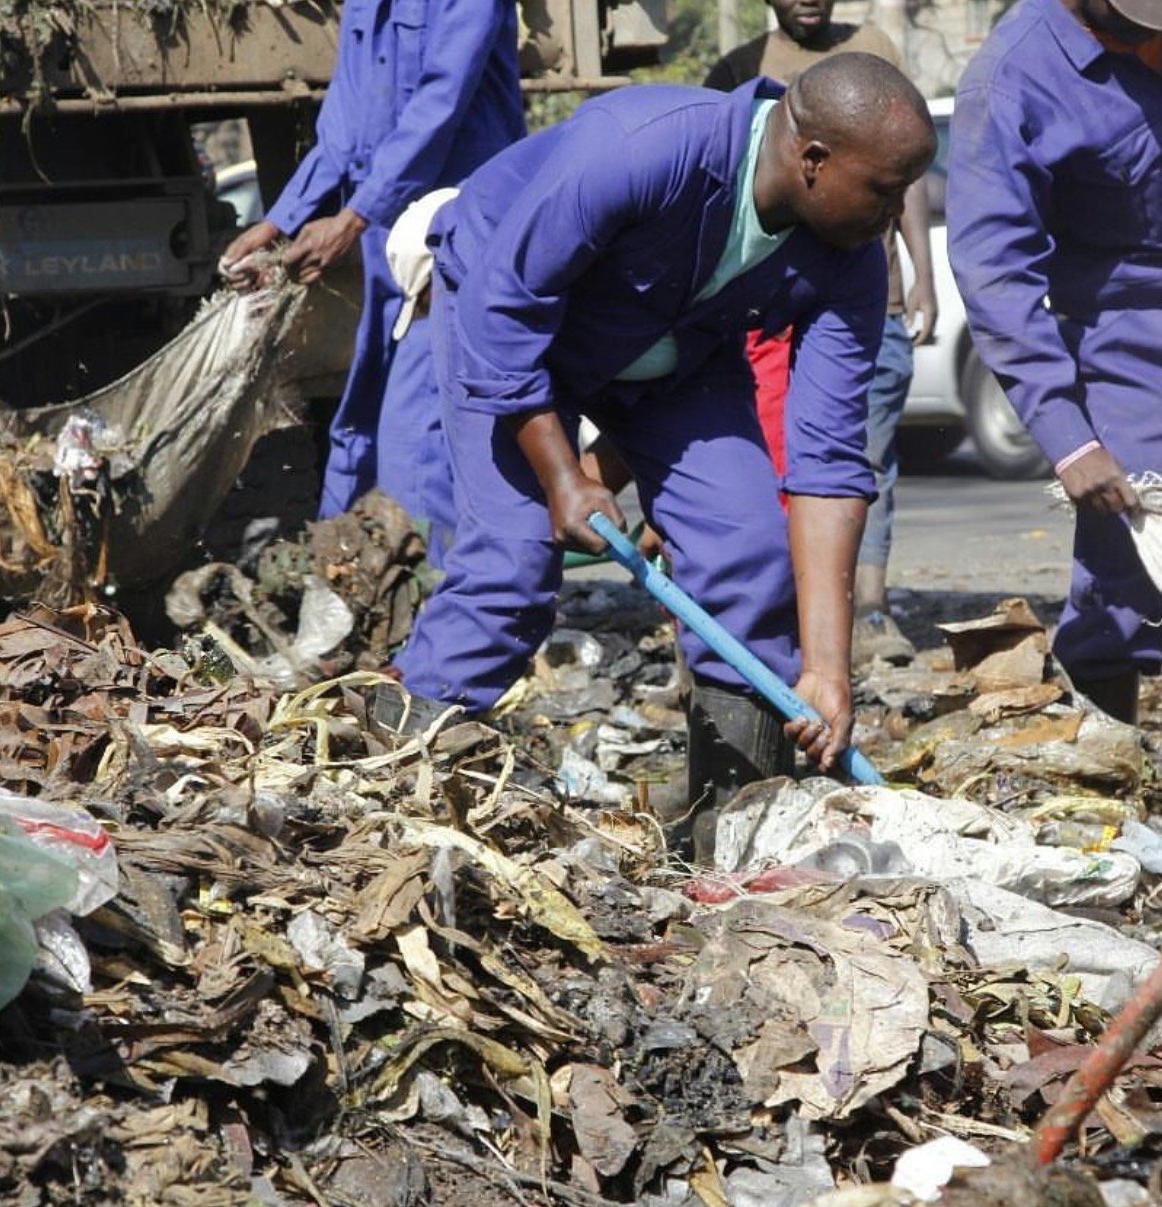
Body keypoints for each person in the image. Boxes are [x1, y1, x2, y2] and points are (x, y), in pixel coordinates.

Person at [377, 55, 936, 856]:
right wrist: (564, 478)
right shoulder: (644, 146)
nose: (894, 214)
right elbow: (506, 309)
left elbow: (827, 463)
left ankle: (732, 827)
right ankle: (397, 781)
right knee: (512, 564)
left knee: (747, 552)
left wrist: (826, 666)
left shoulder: (845, 260)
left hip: (672, 358)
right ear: (812, 159)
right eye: (884, 189)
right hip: (509, 323)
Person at [946, 0, 1162, 723]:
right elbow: (996, 277)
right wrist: (1072, 439)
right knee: (1120, 576)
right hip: (1126, 332)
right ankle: (1114, 758)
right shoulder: (1010, 79)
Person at [221, 0, 525, 566]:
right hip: (390, 245)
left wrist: (353, 216)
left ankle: (431, 619)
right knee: (358, 427)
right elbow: (345, 120)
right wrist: (280, 220)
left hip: (455, 242)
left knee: (421, 440)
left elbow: (439, 103)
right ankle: (346, 594)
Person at [706, 0, 938, 667]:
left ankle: (868, 607)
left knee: (861, 457)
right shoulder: (741, 69)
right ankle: (755, 633)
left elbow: (908, 177)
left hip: (868, 295)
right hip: (769, 310)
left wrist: (922, 270)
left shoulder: (874, 47)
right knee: (760, 471)